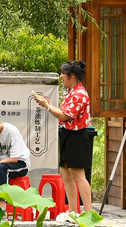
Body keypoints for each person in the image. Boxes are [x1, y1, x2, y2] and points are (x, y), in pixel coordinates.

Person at [35, 60, 93, 214]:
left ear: (72, 76)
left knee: (78, 175)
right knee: (65, 173)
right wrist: (49, 105)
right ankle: (73, 211)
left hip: (77, 136)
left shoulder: (79, 94)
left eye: (63, 74)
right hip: (68, 134)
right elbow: (63, 113)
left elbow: (65, 116)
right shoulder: (73, 92)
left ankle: (88, 212)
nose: (61, 76)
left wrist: (47, 106)